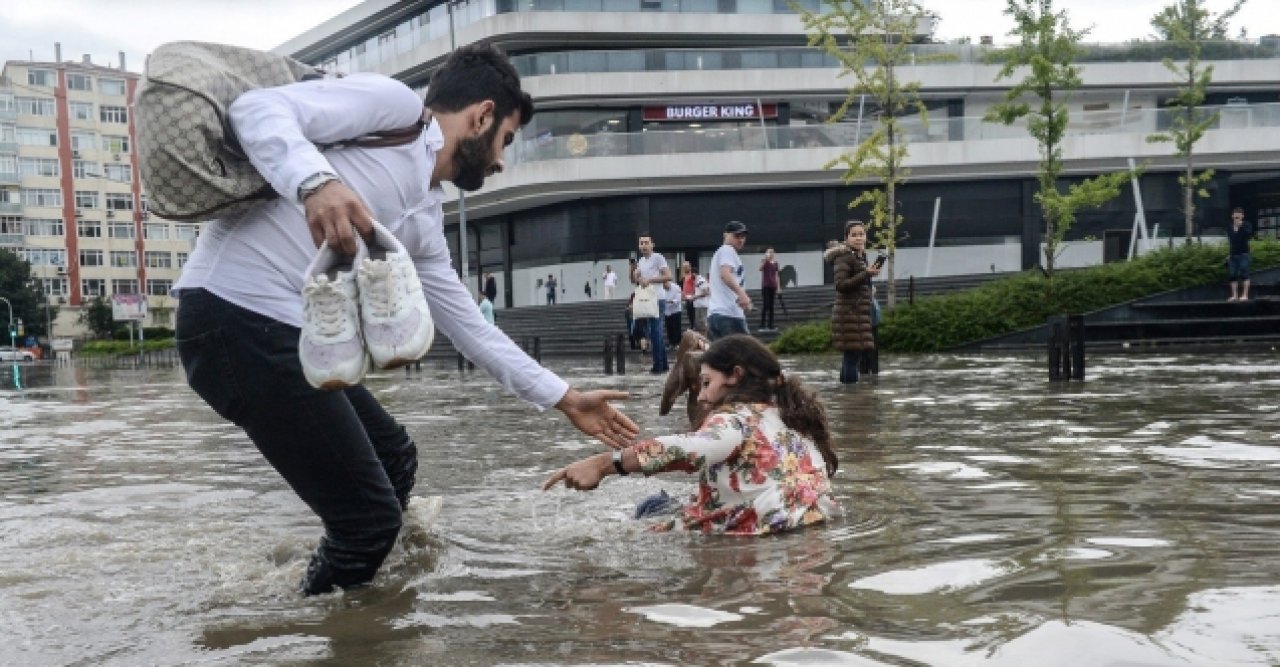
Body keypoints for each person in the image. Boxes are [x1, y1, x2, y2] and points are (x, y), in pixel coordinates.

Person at [172, 44, 638, 596]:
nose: (501, 161)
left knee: (395, 458)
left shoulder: (423, 215)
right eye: (506, 140)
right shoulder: (392, 107)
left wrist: (564, 396)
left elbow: (470, 326)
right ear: (482, 116)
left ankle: (362, 595)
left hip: (284, 337)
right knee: (368, 522)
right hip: (233, 320)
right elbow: (254, 109)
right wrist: (316, 183)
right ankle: (322, 629)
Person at [543, 334, 838, 536]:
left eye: (707, 382)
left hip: (750, 538)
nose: (701, 396)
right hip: (806, 531)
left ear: (735, 375)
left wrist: (604, 464)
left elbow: (688, 448)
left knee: (650, 508)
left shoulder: (736, 421)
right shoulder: (793, 418)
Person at [826, 220, 879, 384]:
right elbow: (841, 285)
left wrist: (869, 287)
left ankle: (847, 398)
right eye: (854, 235)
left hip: (857, 313)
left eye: (861, 234)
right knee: (851, 358)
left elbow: (856, 284)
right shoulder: (844, 257)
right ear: (846, 238)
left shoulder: (860, 256)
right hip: (849, 314)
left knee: (851, 358)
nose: (858, 238)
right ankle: (851, 398)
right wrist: (866, 274)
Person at [631, 234, 671, 374]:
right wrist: (637, 275)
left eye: (646, 243)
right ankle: (663, 364)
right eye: (641, 243)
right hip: (647, 299)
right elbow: (636, 278)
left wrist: (650, 280)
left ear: (652, 244)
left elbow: (668, 276)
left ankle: (658, 365)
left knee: (655, 332)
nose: (643, 246)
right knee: (653, 332)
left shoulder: (658, 257)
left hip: (657, 298)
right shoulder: (641, 261)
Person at [707, 221, 752, 341]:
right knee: (745, 355)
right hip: (729, 314)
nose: (741, 240)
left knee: (721, 358)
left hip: (715, 313)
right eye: (737, 236)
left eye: (743, 237)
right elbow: (725, 274)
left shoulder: (720, 253)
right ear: (726, 235)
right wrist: (742, 294)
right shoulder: (727, 250)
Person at [1226, 207, 1253, 301]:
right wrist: (1229, 254)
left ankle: (1245, 295)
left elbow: (1248, 235)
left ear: (1242, 216)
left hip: (1244, 253)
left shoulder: (1247, 225)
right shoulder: (1229, 227)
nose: (1237, 218)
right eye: (1235, 216)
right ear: (1232, 216)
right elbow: (1231, 242)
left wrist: (1240, 226)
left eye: (1239, 216)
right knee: (1232, 274)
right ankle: (1234, 295)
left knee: (1244, 272)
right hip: (1233, 254)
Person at [759, 248, 780, 331]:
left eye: (771, 252)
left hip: (773, 286)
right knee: (766, 305)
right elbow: (760, 269)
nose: (770, 253)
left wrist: (778, 287)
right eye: (768, 252)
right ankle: (762, 325)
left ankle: (770, 325)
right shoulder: (764, 261)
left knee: (771, 306)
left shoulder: (776, 263)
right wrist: (765, 260)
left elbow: (777, 275)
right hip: (766, 286)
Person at [662, 276, 683, 347]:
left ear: (668, 282)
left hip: (675, 310)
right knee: (669, 327)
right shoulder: (662, 289)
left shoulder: (676, 287)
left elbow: (678, 300)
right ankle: (671, 342)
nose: (665, 288)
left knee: (676, 327)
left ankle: (677, 342)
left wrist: (668, 301)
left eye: (665, 286)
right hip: (667, 311)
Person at [680, 260, 698, 328]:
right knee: (689, 315)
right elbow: (684, 287)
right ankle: (692, 326)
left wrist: (693, 295)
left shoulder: (693, 276)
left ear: (690, 267)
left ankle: (694, 327)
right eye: (684, 267)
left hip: (693, 298)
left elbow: (696, 286)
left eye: (687, 267)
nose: (685, 268)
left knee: (693, 316)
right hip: (686, 298)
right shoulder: (683, 277)